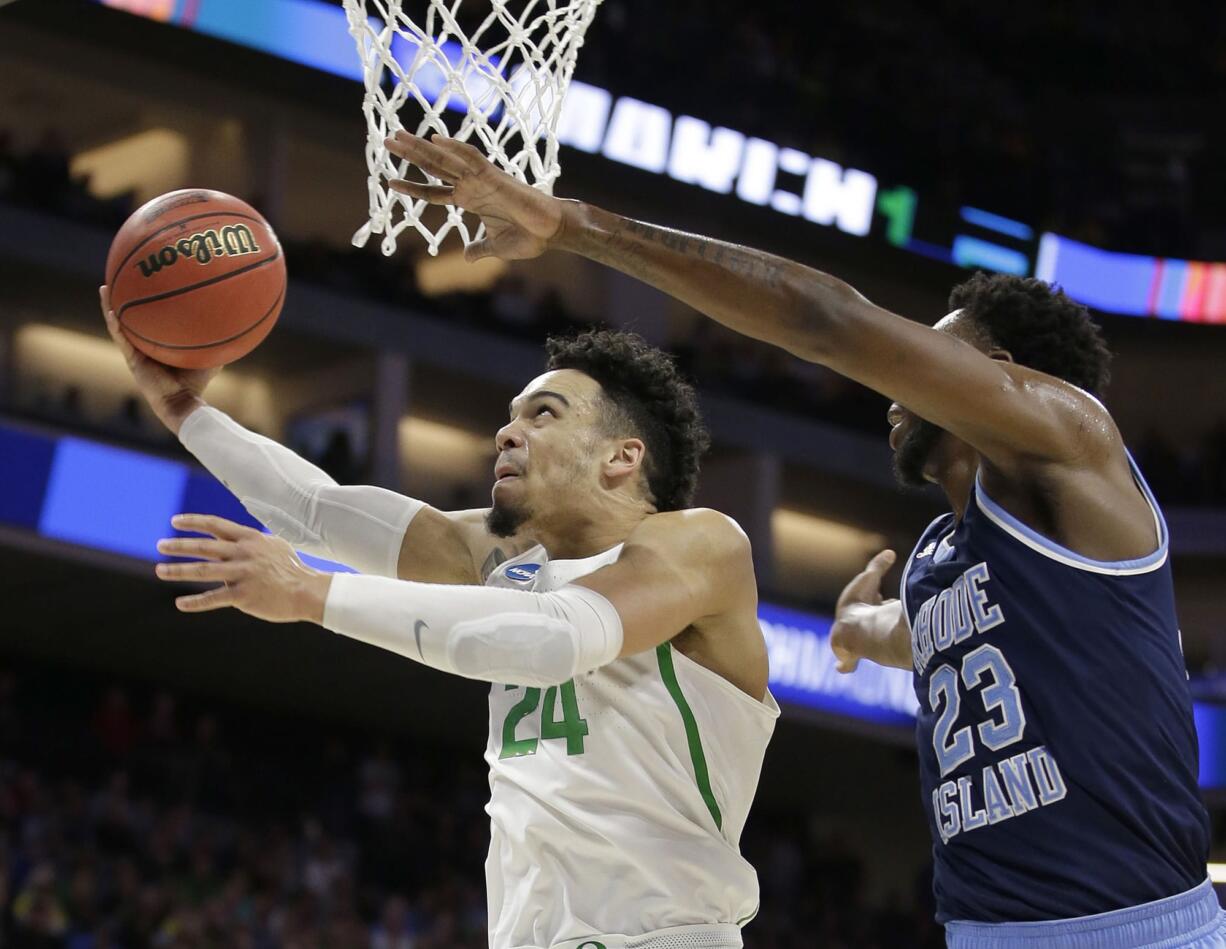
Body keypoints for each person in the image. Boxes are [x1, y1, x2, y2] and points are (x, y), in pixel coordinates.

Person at [379, 131, 1224, 946]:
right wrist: (865, 630)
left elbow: (826, 323)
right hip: (981, 930)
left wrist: (576, 227)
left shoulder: (1075, 443)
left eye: (931, 355)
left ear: (994, 368)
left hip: (1136, 925)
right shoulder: (939, 552)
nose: (896, 385)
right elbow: (943, 638)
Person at [98, 287, 778, 949]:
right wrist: (184, 407)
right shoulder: (505, 561)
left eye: (544, 414)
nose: (507, 430)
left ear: (621, 456)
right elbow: (314, 509)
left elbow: (556, 638)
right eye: (512, 414)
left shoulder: (703, 545)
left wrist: (312, 593)